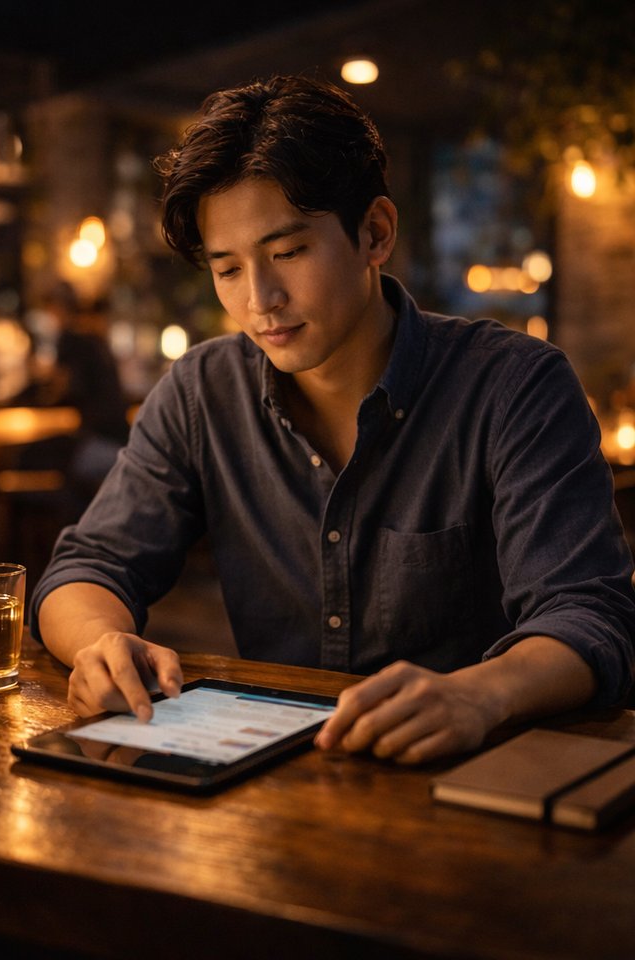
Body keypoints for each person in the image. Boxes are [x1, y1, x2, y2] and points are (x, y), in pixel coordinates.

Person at [32, 75, 635, 764]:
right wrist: (98, 644)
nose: (261, 299)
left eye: (288, 252)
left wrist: (480, 693)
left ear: (375, 233)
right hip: (272, 782)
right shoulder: (202, 392)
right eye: (228, 269)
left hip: (474, 776)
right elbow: (90, 565)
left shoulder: (513, 386)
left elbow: (590, 616)